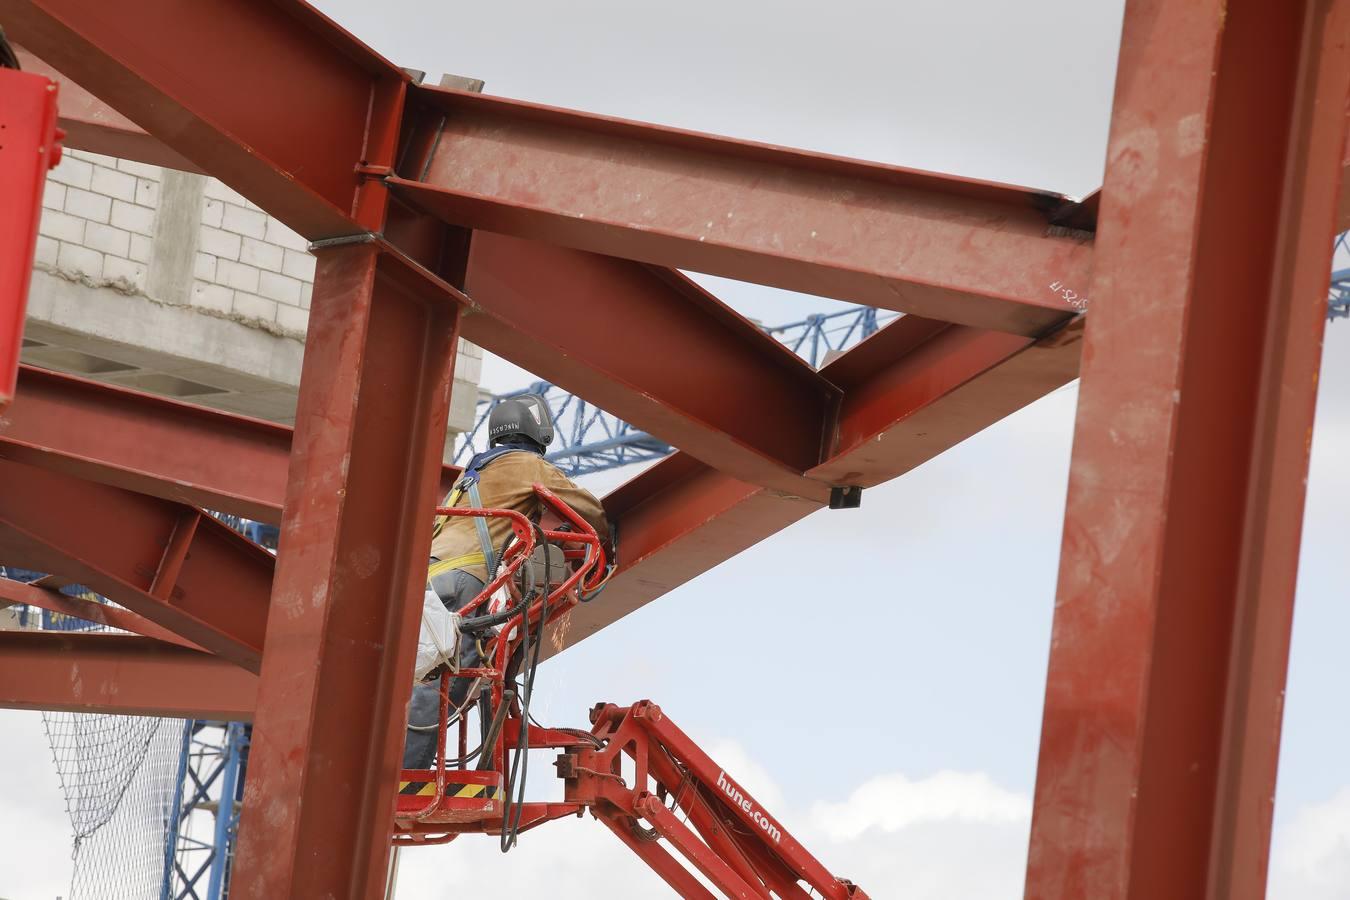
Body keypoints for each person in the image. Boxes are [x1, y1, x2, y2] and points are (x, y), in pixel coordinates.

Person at [403, 394, 611, 769]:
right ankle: (405, 772)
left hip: (428, 577)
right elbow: (588, 508)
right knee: (454, 679)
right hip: (465, 578)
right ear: (538, 433)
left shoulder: (472, 474)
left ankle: (394, 763)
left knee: (427, 671)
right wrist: (607, 546)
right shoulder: (526, 464)